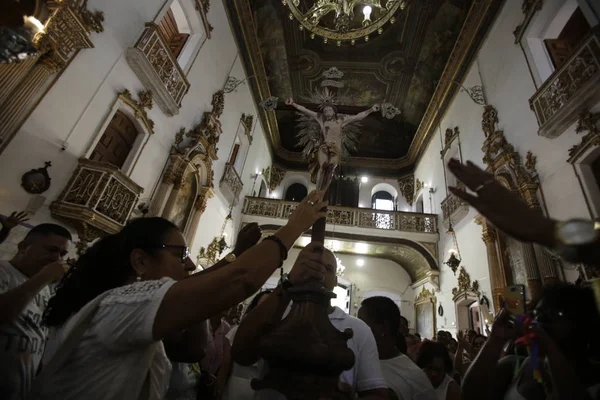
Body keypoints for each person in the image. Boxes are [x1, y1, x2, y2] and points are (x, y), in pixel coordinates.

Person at [32, 190, 327, 399]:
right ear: (140, 261)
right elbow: (241, 279)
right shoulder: (121, 304)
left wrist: (230, 261)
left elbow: (191, 350)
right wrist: (293, 228)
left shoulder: (125, 306)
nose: (188, 263)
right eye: (179, 254)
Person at [232, 244, 388, 399]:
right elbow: (241, 353)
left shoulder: (358, 329)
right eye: (310, 266)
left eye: (327, 268)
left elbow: (375, 392)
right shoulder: (278, 313)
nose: (318, 274)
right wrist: (288, 283)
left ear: (335, 280)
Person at [462, 283, 600, 400]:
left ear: (580, 322)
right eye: (537, 314)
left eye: (553, 315)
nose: (539, 321)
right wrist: (496, 339)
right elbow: (470, 395)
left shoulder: (594, 382)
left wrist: (550, 348)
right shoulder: (518, 365)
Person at [0, 223, 71, 400]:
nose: (56, 258)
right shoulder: (3, 272)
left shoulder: (44, 288)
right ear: (23, 246)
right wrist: (45, 276)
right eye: (51, 250)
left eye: (62, 254)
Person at [358, 296, 437, 400]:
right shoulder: (357, 359)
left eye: (362, 323)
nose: (356, 328)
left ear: (383, 328)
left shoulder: (414, 378)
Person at [218, 289, 273, 400]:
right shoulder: (239, 331)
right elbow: (226, 363)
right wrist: (219, 386)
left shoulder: (279, 336)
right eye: (262, 306)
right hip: (236, 389)